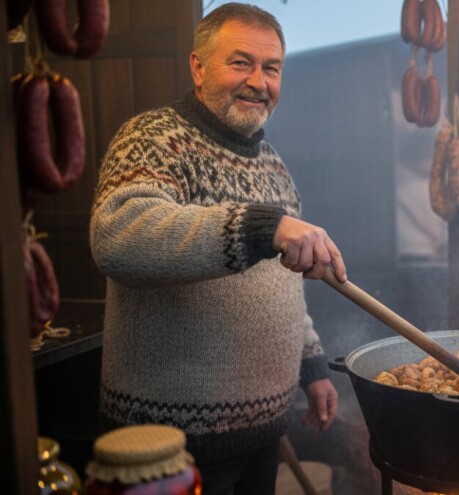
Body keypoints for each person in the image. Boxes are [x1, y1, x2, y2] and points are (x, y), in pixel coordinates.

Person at [89, 4, 346, 493]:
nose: (258, 81)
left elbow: (284, 286)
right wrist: (257, 227)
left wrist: (311, 367)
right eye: (240, 62)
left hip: (266, 428)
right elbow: (120, 238)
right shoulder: (153, 138)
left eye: (271, 68)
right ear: (198, 67)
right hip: (171, 443)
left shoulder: (274, 167)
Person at [396, 128, 447, 261]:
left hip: (404, 256)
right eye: (431, 157)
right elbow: (437, 230)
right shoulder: (414, 186)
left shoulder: (399, 179)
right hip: (416, 256)